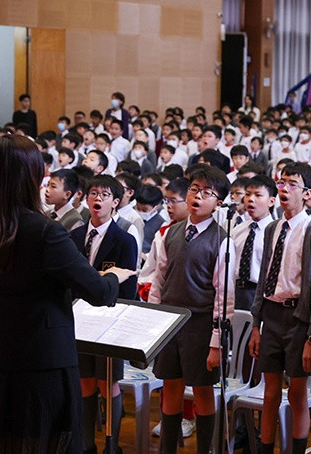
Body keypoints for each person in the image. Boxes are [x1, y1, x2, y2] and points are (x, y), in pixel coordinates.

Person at [0, 135, 135, 453]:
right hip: (41, 356)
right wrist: (114, 276)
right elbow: (97, 291)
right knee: (44, 439)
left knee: (2, 437)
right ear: (29, 176)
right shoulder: (44, 232)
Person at [149, 166, 234, 454]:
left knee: (202, 390)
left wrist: (216, 343)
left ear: (218, 203)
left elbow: (224, 297)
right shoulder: (169, 233)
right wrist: (154, 323)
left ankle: (205, 449)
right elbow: (159, 280)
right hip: (170, 322)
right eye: (194, 189)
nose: (197, 196)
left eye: (207, 193)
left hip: (200, 325)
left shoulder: (222, 240)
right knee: (170, 387)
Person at [249, 162, 311, 454]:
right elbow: (264, 279)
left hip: (298, 319)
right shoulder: (272, 228)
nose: (284, 188)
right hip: (271, 315)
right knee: (269, 393)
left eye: (292, 184)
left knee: (297, 393)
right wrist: (256, 325)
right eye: (281, 182)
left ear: (307, 193)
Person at [70, 175, 138, 454]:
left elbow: (129, 287)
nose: (98, 198)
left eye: (105, 194)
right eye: (93, 193)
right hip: (78, 319)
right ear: (86, 198)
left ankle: (112, 445)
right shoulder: (74, 236)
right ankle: (86, 443)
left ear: (116, 202)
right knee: (84, 380)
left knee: (107, 381)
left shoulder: (124, 240)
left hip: (110, 321)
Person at [232, 175, 277, 310]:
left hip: (261, 293)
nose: (251, 199)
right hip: (235, 291)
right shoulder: (237, 230)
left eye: (258, 195)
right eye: (247, 194)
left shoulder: (276, 233)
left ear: (271, 201)